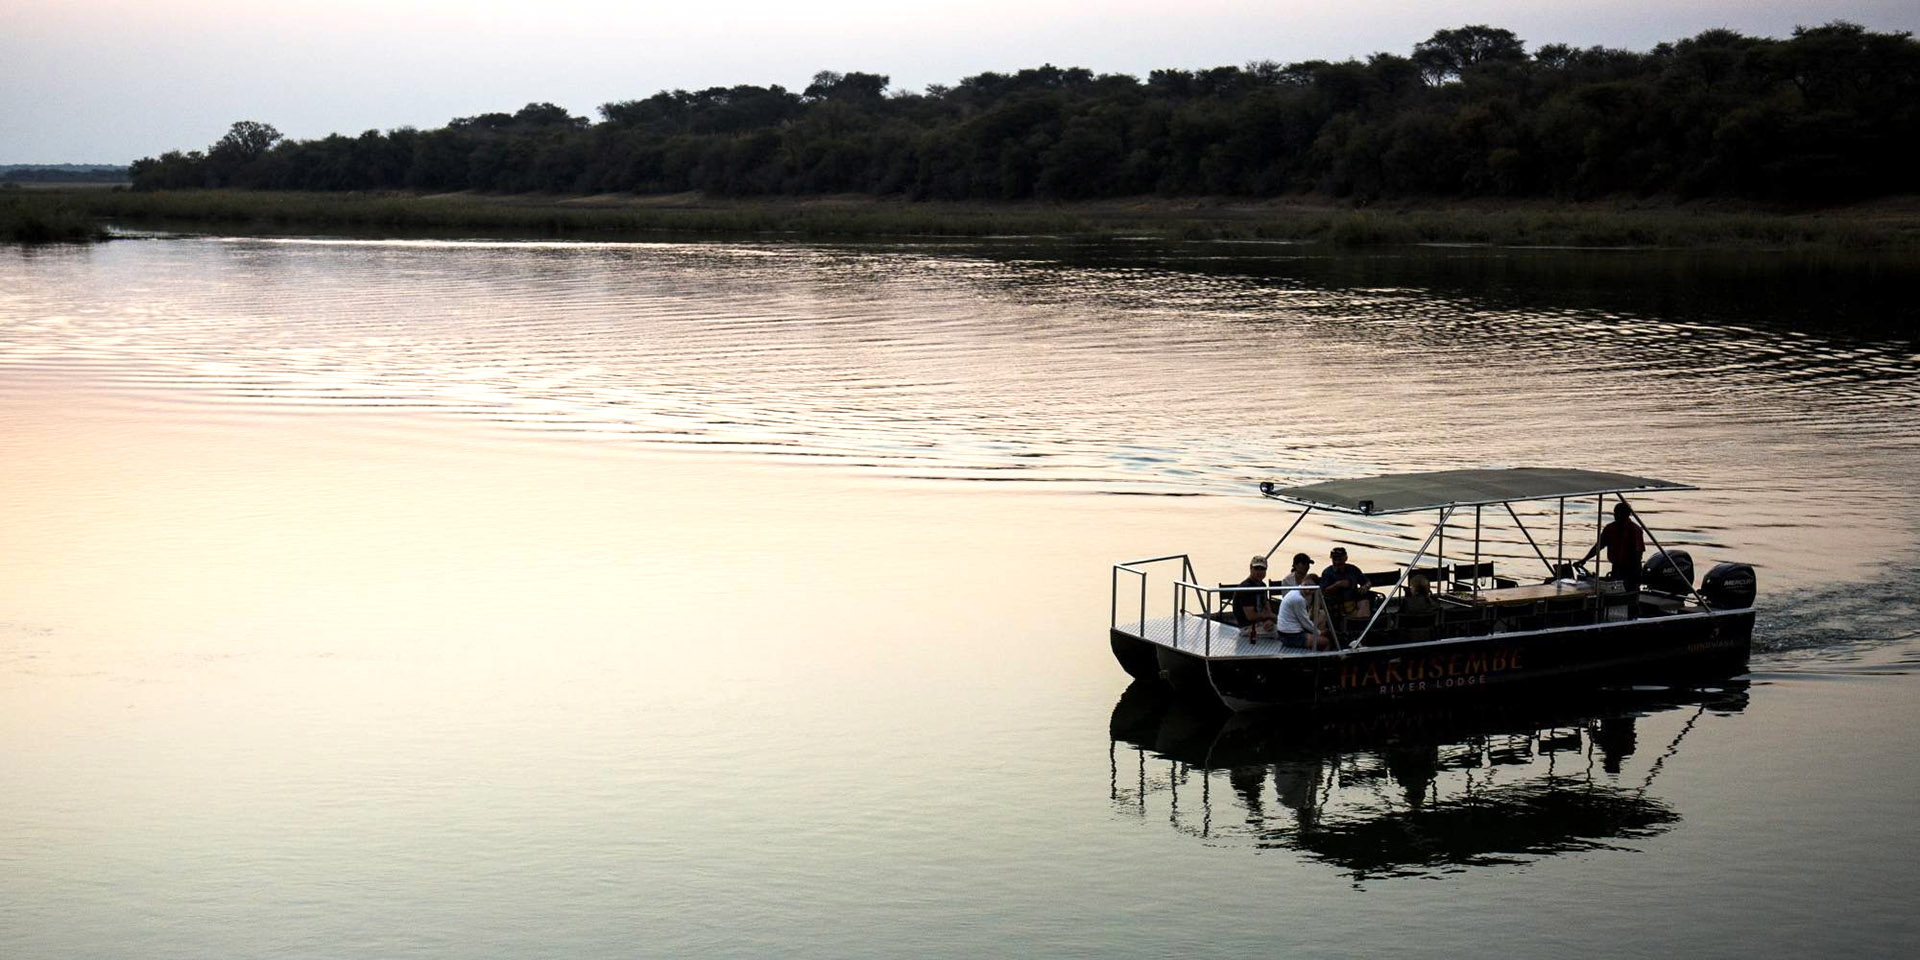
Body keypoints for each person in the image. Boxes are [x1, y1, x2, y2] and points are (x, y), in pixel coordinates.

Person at [1580, 502, 1646, 594]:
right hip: (1616, 567)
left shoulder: (1635, 530)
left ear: (1626, 515)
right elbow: (1598, 546)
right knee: (1614, 591)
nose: (1616, 516)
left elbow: (1638, 554)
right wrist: (1584, 560)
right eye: (1615, 513)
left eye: (1619, 514)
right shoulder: (1610, 528)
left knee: (1628, 594)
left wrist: (1634, 575)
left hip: (1631, 569)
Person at [1232, 555, 1277, 641]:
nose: (1259, 571)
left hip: (1261, 624)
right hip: (1247, 627)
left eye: (1262, 569)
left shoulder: (1263, 586)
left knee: (1289, 628)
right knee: (1283, 633)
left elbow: (1267, 608)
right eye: (1256, 568)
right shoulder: (1246, 588)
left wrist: (1269, 620)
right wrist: (1271, 616)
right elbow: (1251, 616)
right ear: (1250, 568)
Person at [1319, 546, 1370, 619]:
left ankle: (1361, 622)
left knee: (1365, 599)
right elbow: (1322, 592)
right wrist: (1337, 585)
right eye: (1334, 559)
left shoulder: (1353, 569)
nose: (1337, 561)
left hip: (1354, 601)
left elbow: (1367, 582)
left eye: (1339, 558)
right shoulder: (1327, 573)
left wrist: (1365, 587)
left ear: (1345, 558)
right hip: (1337, 604)